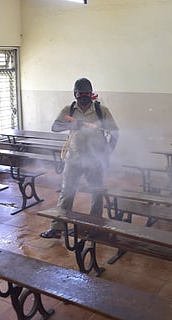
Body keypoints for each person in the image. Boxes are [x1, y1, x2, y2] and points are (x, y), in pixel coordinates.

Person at [40, 77, 119, 239]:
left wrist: (107, 152)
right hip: (74, 158)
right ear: (75, 94)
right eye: (80, 94)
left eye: (87, 94)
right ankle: (57, 227)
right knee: (66, 192)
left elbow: (115, 132)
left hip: (95, 160)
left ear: (92, 94)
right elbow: (55, 127)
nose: (84, 97)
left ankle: (95, 226)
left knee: (96, 193)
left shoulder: (101, 111)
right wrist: (70, 125)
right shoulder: (69, 110)